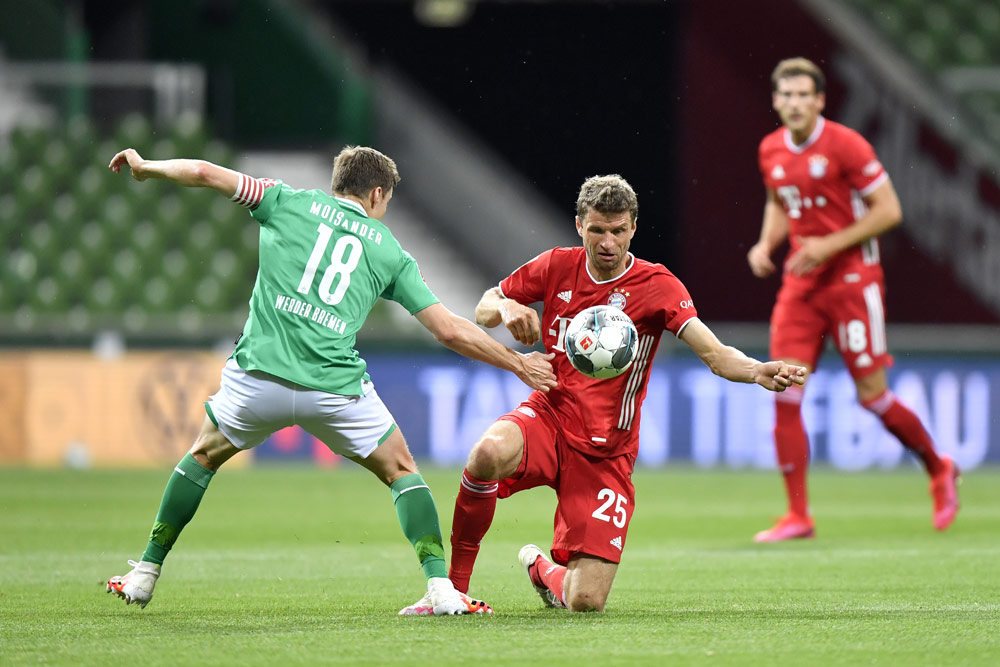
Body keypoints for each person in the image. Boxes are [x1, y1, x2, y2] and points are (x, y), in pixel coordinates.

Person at [104, 145, 557, 615]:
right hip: (334, 390)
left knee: (200, 458)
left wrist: (146, 168)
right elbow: (448, 329)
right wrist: (518, 363)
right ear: (377, 193)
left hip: (260, 377)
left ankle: (145, 573)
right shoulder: (389, 252)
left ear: (339, 182)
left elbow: (202, 171)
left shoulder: (283, 200)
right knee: (402, 472)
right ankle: (441, 588)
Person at [397, 174, 806, 614]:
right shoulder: (556, 266)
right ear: (579, 226)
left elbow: (715, 354)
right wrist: (508, 305)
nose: (607, 242)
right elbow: (484, 305)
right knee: (486, 454)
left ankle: (542, 570)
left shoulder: (658, 286)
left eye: (617, 230)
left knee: (585, 602)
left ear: (633, 227)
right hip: (550, 416)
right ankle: (452, 591)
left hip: (607, 453)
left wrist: (758, 370)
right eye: (597, 230)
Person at [746, 57, 960, 542]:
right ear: (776, 101)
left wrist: (828, 244)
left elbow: (890, 211)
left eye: (805, 94)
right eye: (787, 95)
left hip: (852, 283)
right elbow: (780, 201)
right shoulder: (770, 149)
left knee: (873, 397)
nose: (796, 103)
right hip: (802, 287)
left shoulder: (845, 144)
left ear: (820, 100)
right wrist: (766, 244)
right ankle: (798, 515)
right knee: (784, 389)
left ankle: (939, 467)